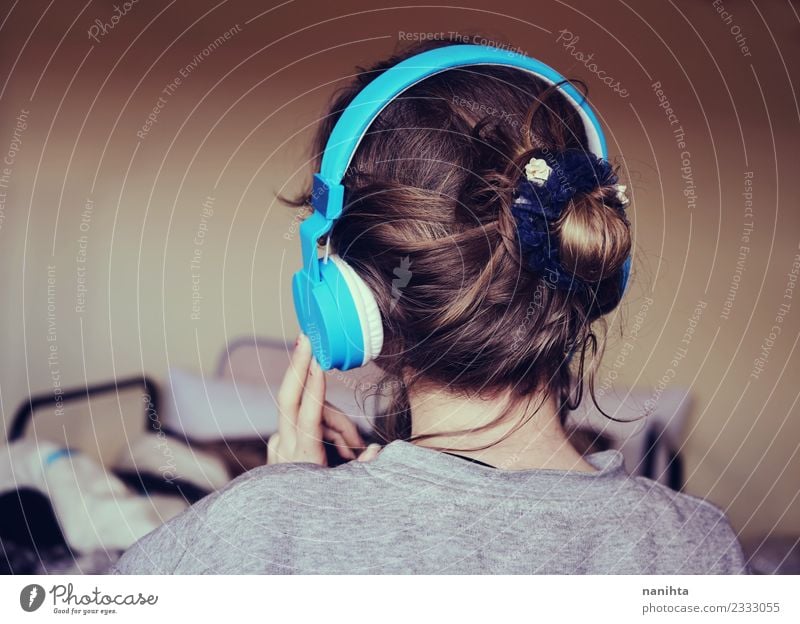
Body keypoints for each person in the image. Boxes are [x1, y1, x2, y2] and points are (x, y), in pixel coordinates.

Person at [112, 40, 748, 574]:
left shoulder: (252, 532)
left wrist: (288, 511)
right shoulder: (694, 547)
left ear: (345, 299)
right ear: (593, 261)